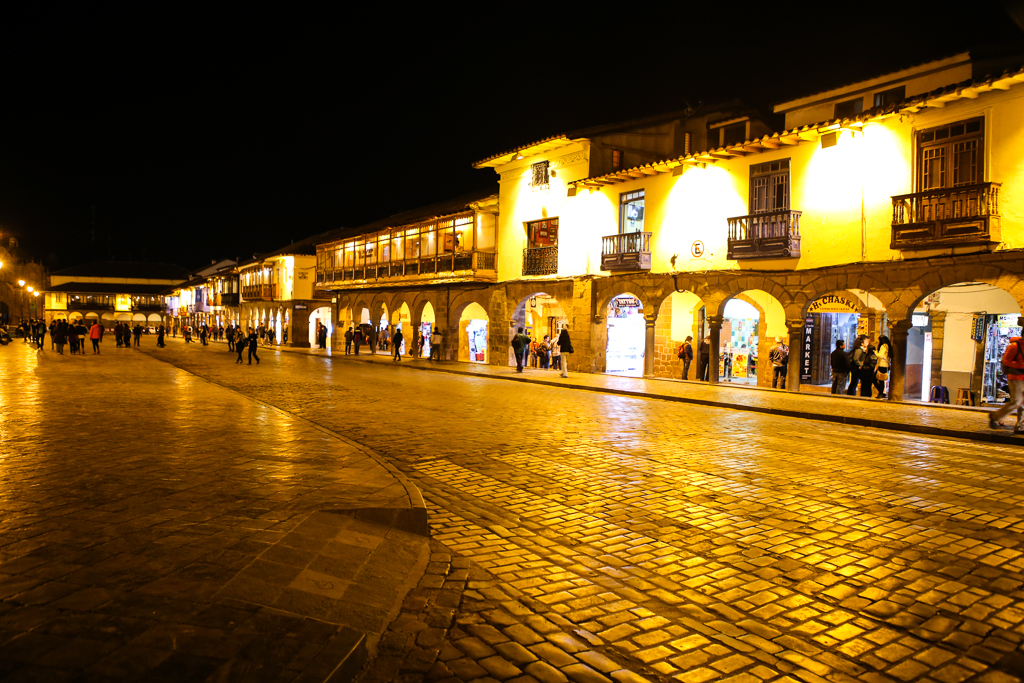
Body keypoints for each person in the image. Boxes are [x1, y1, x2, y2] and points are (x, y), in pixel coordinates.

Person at [990, 333, 1024, 432]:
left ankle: (1020, 426)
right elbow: (1006, 361)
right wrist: (1021, 365)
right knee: (1016, 402)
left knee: (1023, 403)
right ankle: (995, 416)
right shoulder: (1014, 346)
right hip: (1015, 377)